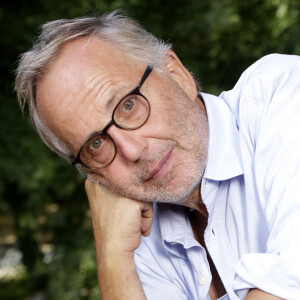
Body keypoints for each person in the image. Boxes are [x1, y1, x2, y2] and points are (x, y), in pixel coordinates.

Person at [15, 10, 300, 300]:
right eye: (96, 144)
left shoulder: (280, 92)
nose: (132, 150)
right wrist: (113, 257)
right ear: (93, 174)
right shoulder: (130, 235)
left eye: (128, 105)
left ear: (177, 76)